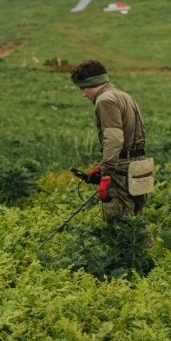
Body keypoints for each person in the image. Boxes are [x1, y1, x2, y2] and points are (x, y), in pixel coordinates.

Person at [70, 59, 148, 222]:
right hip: (141, 163)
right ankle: (145, 248)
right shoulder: (124, 95)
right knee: (137, 219)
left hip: (122, 168)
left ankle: (125, 249)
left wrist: (107, 173)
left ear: (92, 83)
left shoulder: (105, 100)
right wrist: (102, 165)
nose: (84, 94)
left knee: (119, 220)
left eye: (83, 88)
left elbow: (114, 138)